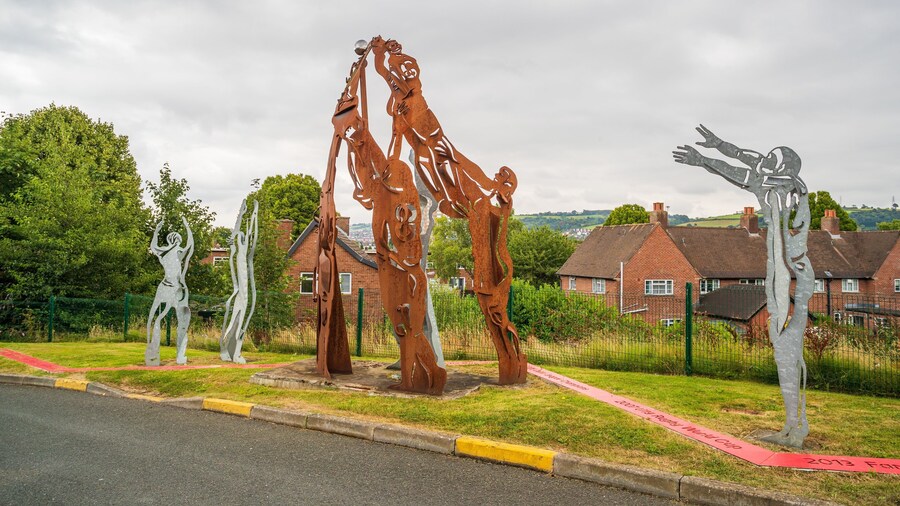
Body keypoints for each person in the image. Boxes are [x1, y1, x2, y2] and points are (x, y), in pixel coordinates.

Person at [674, 125, 813, 447]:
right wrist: (717, 147)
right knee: (784, 350)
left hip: (791, 274)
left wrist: (707, 159)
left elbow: (745, 168)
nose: (762, 163)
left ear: (780, 168)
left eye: (770, 161)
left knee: (788, 349)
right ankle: (794, 425)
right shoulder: (777, 182)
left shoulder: (784, 188)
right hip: (782, 271)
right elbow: (746, 159)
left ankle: (796, 425)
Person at [146, 217, 193, 366]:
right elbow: (189, 246)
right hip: (175, 289)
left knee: (158, 317)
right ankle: (177, 356)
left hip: (168, 286)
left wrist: (156, 231)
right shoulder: (177, 251)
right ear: (177, 240)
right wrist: (187, 228)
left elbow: (153, 246)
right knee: (180, 321)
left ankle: (156, 354)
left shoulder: (163, 252)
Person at [220, 199, 258, 364]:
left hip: (246, 289)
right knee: (237, 317)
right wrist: (241, 215)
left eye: (243, 236)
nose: (242, 237)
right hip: (240, 291)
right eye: (240, 236)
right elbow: (237, 231)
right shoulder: (235, 251)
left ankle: (233, 351)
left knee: (243, 318)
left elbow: (252, 235)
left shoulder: (246, 253)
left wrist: (255, 214)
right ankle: (230, 351)